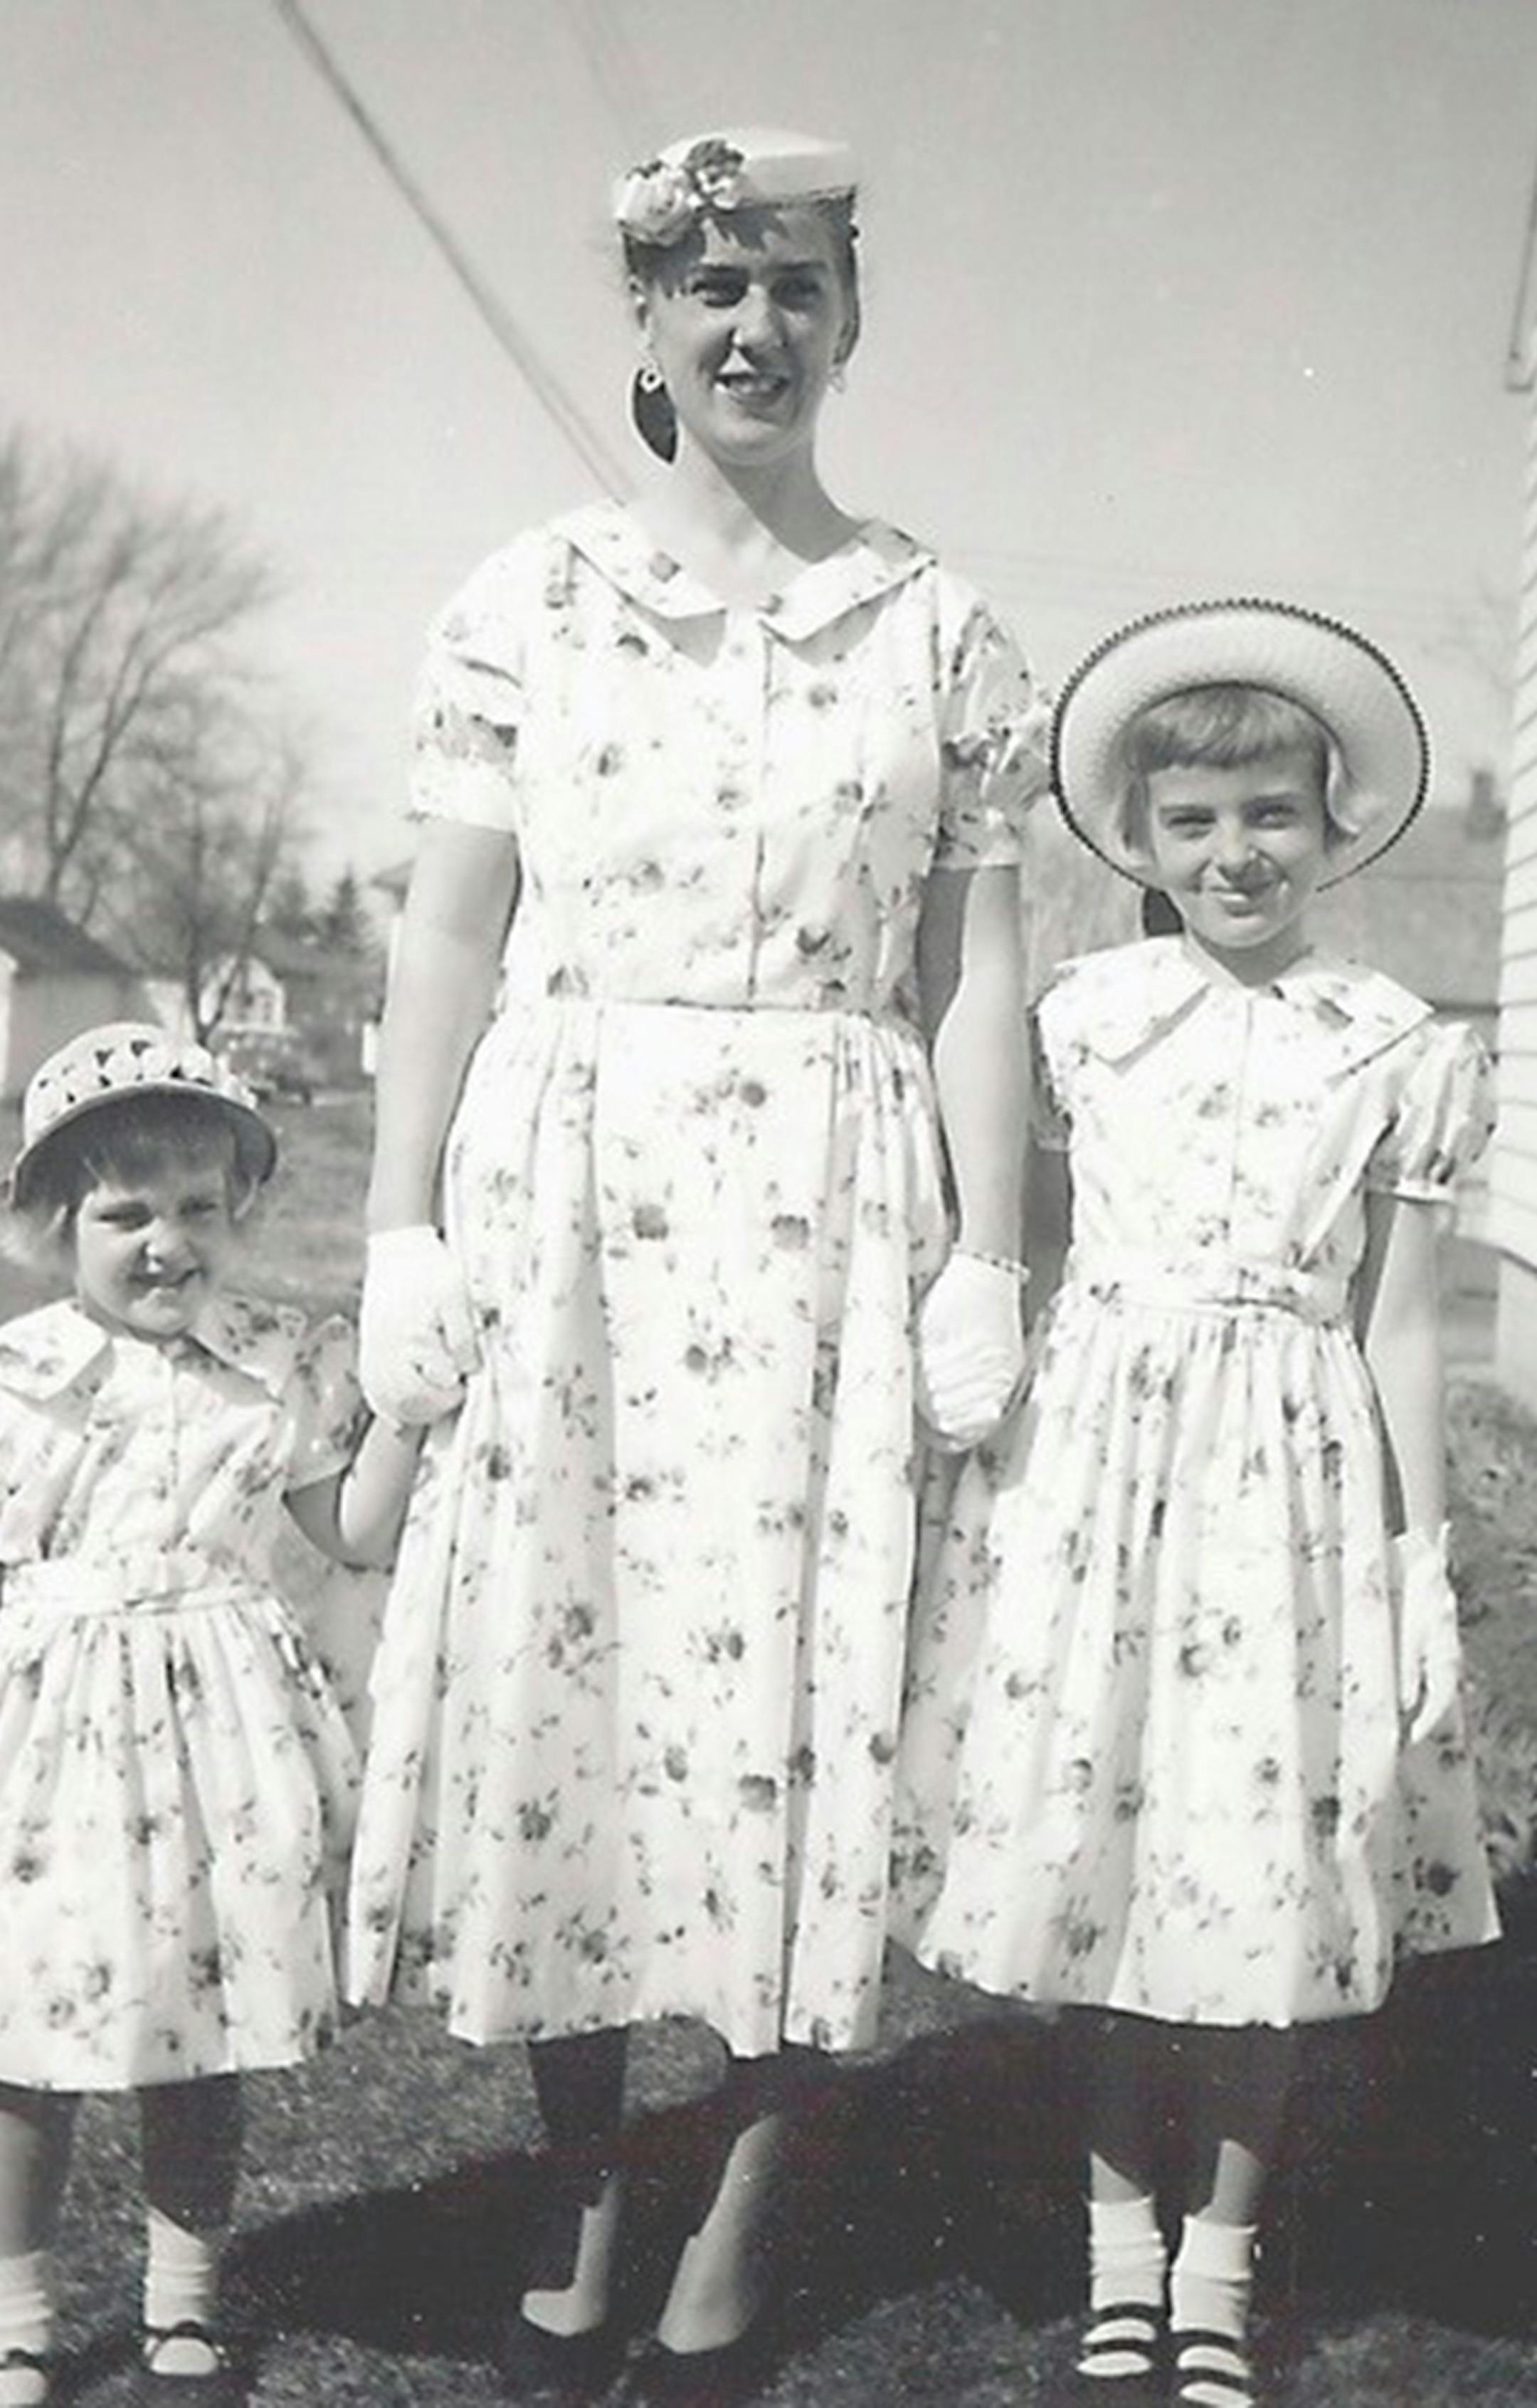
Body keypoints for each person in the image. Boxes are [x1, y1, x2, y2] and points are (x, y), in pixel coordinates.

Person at [346, 125, 1048, 2396]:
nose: (756, 328)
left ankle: (744, 2202)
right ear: (646, 325)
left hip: (834, 1211)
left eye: (796, 286)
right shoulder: (529, 603)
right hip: (576, 1206)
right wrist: (397, 1224)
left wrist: (989, 1256)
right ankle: (578, 2183)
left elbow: (974, 970)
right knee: (574, 1686)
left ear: (851, 319)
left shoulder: (939, 630)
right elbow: (449, 937)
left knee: (802, 1704)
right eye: (712, 287)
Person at [893, 600, 1500, 2408]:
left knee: (1257, 1884)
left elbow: (1401, 1324)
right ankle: (1117, 2259)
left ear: (1333, 825)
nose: (1236, 854)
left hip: (1289, 1489)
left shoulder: (1394, 1045)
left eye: (1272, 816)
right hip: (1100, 1475)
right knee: (1110, 1875)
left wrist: (1416, 1555)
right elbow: (1019, 1240)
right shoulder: (1086, 1022)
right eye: (1195, 822)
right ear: (1144, 842)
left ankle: (1220, 2272)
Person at [0, 1024, 420, 2407]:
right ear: (56, 1229)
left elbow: (353, 1533)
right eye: (126, 1214)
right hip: (52, 1740)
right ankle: (18, 2318)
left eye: (198, 1207)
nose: (167, 1243)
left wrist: (407, 1414)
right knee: (25, 2043)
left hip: (222, 1735)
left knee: (201, 2027)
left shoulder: (275, 1365)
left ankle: (183, 2305)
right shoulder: (19, 1378)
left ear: (240, 1214)